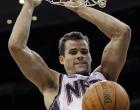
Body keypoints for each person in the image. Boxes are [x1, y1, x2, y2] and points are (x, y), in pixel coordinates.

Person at [8, 0, 131, 110]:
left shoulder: (105, 76)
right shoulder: (54, 83)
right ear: (62, 59)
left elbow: (122, 32)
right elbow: (16, 46)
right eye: (73, 52)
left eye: (84, 51)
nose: (80, 55)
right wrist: (29, 4)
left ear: (91, 56)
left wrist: (80, 8)